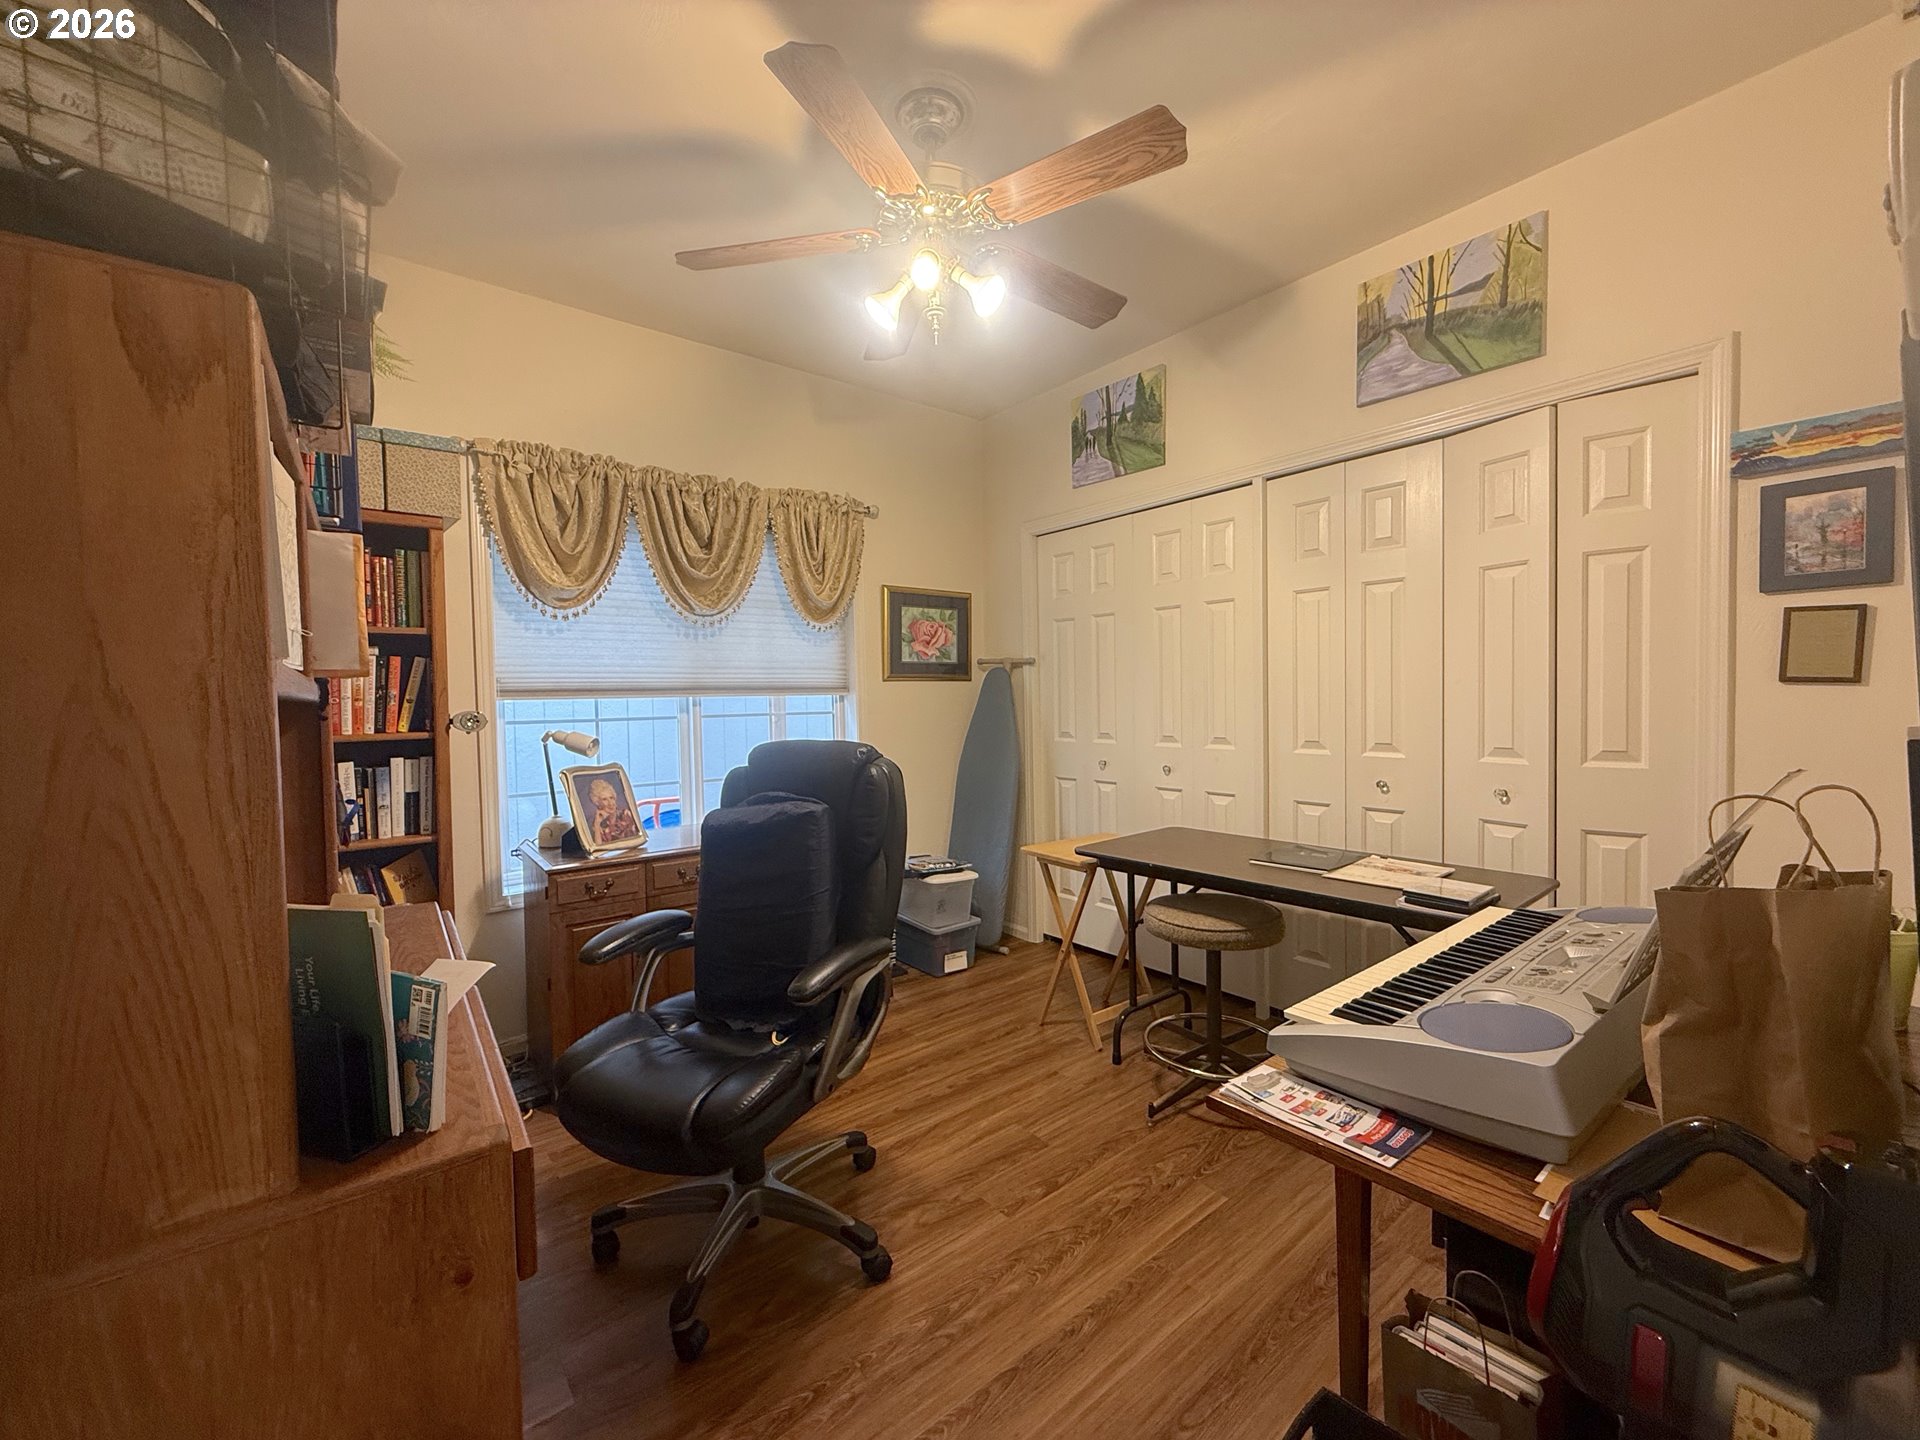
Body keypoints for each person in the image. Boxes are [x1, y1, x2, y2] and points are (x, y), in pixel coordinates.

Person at [583, 775, 640, 848]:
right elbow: (599, 849)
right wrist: (597, 824)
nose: (610, 803)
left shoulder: (626, 814)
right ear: (597, 803)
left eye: (611, 798)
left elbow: (637, 841)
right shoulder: (597, 824)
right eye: (604, 799)